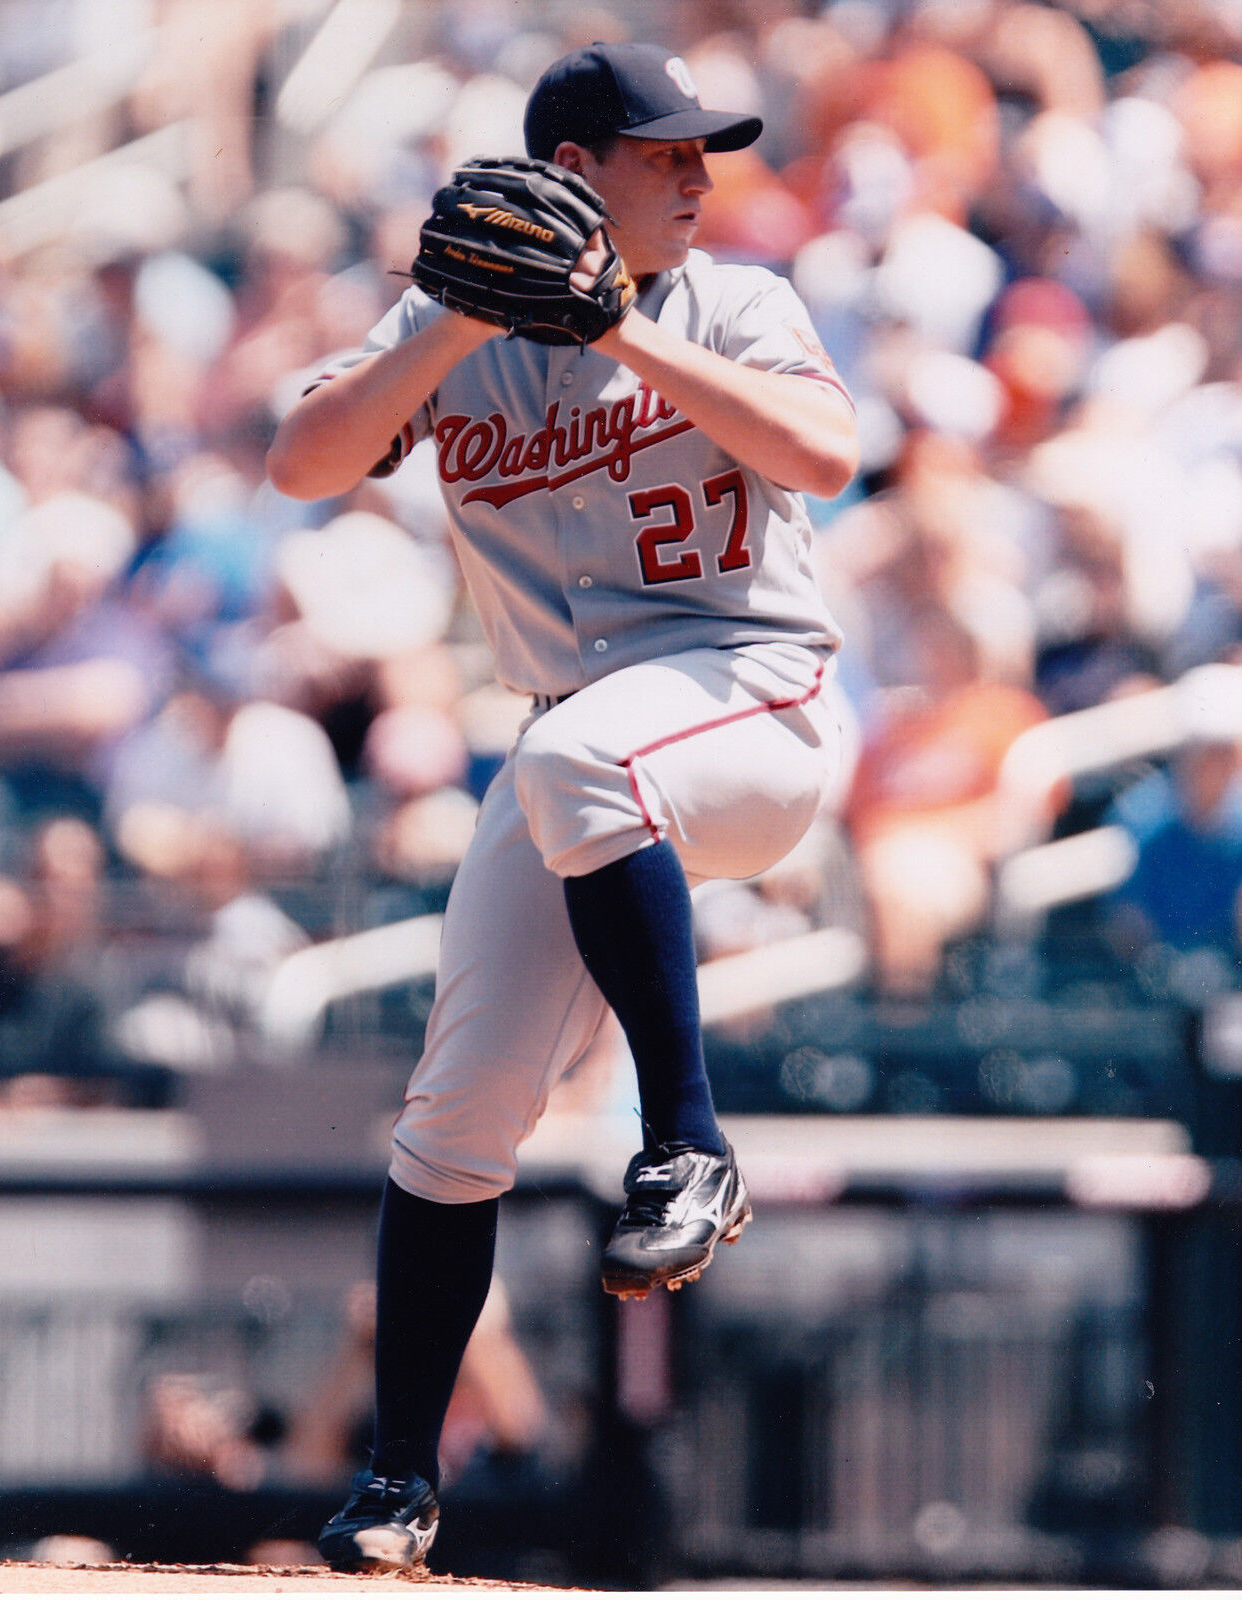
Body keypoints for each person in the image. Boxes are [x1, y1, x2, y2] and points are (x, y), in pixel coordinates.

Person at [267, 40, 858, 1573]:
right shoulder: (450, 328)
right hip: (578, 750)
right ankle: (398, 1483)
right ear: (575, 170)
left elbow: (829, 454)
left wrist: (624, 334)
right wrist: (461, 320)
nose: (699, 175)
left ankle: (689, 1144)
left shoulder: (733, 301)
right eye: (666, 152)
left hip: (752, 698)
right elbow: (302, 460)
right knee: (457, 1110)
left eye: (699, 152)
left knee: (570, 759)